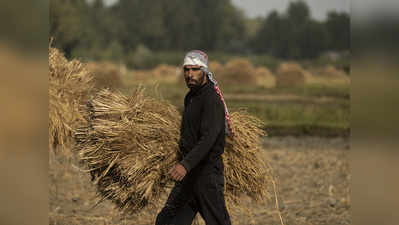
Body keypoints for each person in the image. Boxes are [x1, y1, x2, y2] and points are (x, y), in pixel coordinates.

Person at [155, 50, 233, 225]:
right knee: (166, 221)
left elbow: (209, 138)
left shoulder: (211, 99)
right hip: (189, 176)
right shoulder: (190, 97)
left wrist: (185, 165)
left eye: (195, 69)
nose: (190, 75)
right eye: (187, 70)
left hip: (207, 175)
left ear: (204, 71)